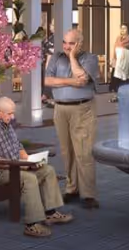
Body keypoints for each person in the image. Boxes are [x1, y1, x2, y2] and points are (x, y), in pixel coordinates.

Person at [0, 97, 74, 237]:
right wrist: (22, 166)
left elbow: (18, 145)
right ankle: (31, 225)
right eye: (9, 113)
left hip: (15, 166)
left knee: (47, 170)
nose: (12, 117)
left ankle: (51, 213)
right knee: (29, 178)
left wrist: (28, 160)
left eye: (13, 113)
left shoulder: (6, 123)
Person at [42, 27, 101, 207]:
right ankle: (71, 189)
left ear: (80, 44)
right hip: (60, 109)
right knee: (67, 152)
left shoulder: (90, 58)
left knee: (83, 152)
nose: (67, 47)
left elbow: (82, 79)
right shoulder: (55, 58)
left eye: (72, 44)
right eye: (65, 43)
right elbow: (47, 81)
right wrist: (71, 82)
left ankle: (88, 194)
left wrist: (73, 57)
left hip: (82, 109)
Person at [111, 27, 129, 92]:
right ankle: (115, 89)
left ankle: (122, 90)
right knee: (116, 74)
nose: (122, 30)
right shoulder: (118, 38)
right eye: (121, 28)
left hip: (125, 60)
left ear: (128, 30)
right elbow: (115, 47)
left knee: (123, 76)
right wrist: (114, 57)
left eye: (124, 28)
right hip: (117, 58)